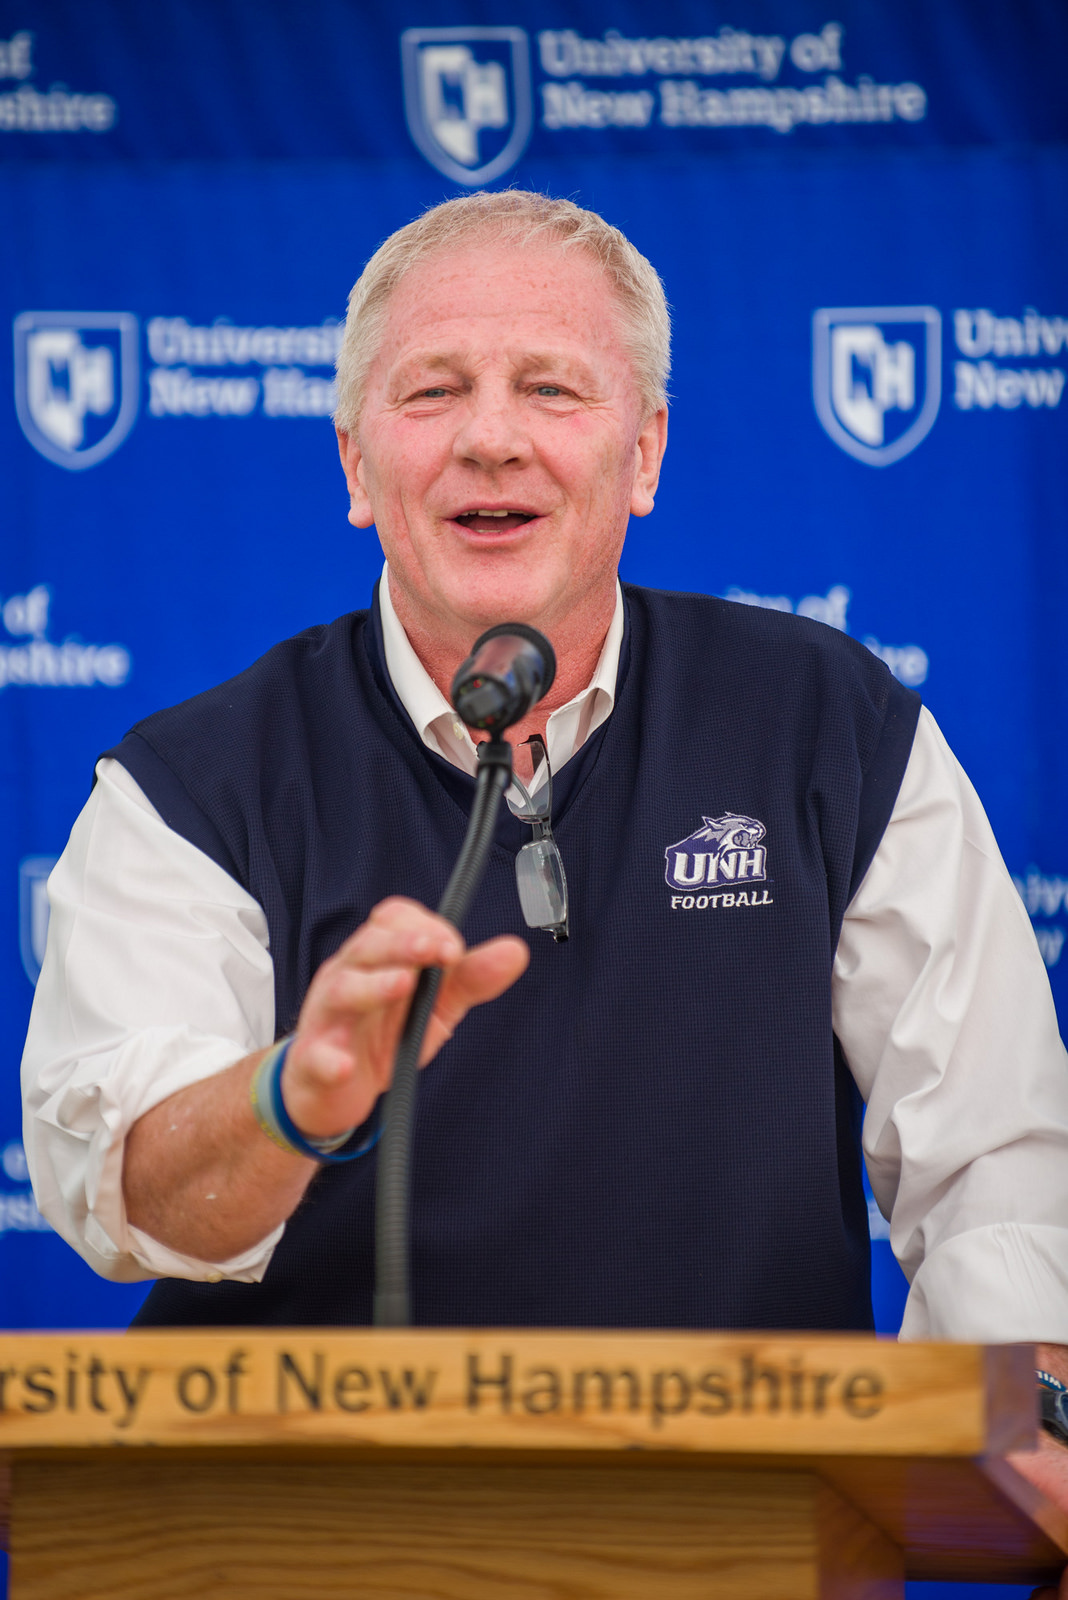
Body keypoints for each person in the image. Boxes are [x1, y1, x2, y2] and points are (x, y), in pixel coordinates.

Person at [20, 195, 1068, 1469]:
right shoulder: (192, 785)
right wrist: (291, 1099)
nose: (491, 439)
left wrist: (1028, 1431)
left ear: (645, 453)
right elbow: (124, 1188)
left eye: (551, 389)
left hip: (736, 1524)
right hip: (307, 1528)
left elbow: (996, 1163)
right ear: (356, 465)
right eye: (433, 392)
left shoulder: (832, 728)